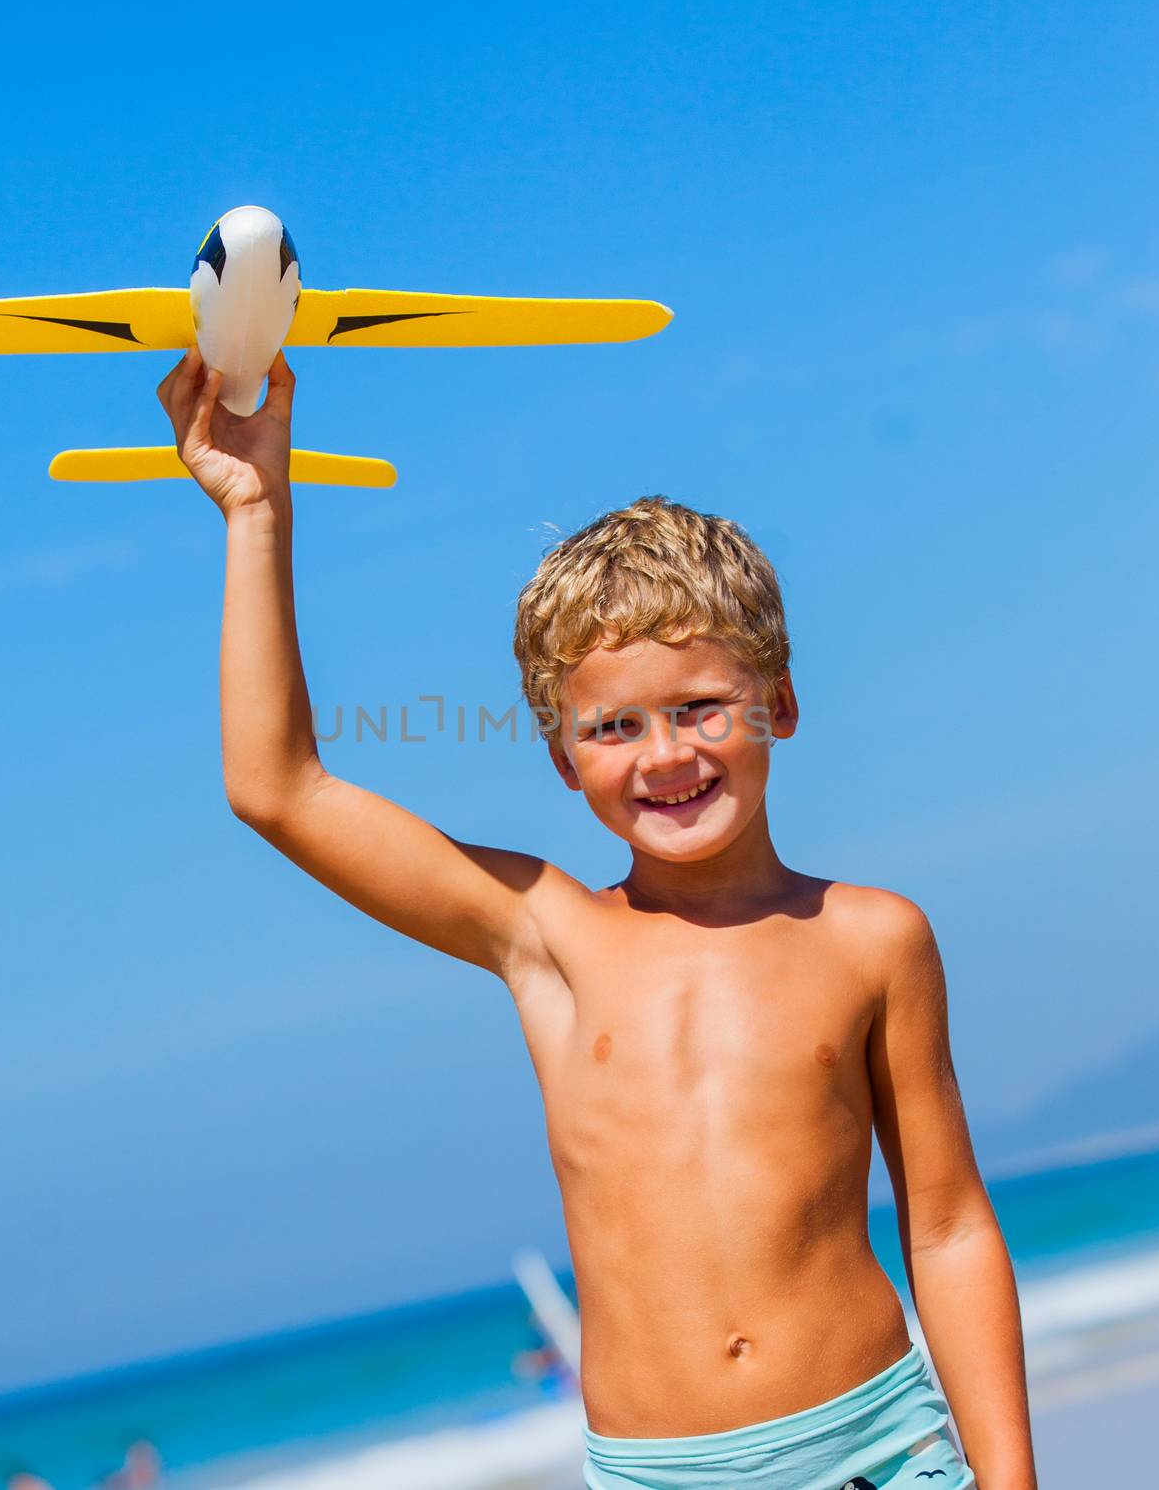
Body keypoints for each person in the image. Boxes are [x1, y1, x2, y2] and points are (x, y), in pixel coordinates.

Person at [155, 350, 1037, 1489]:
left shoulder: (872, 939)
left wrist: (1009, 1478)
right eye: (614, 728)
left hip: (878, 1448)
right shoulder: (549, 938)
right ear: (563, 760)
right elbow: (276, 787)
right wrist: (255, 509)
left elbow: (949, 1227)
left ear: (778, 706)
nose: (665, 755)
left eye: (700, 709)